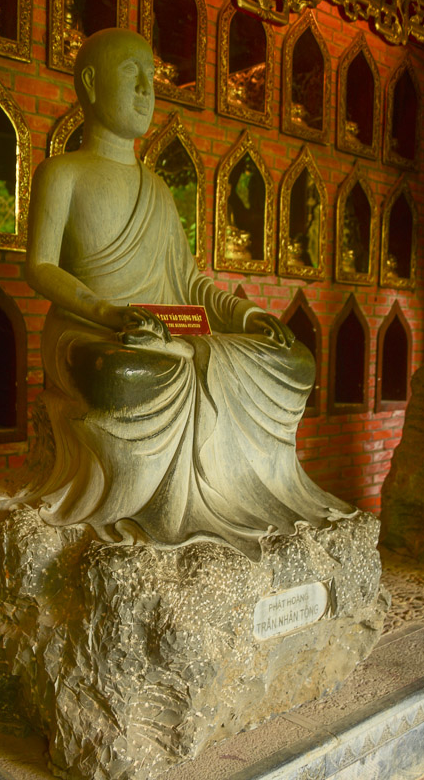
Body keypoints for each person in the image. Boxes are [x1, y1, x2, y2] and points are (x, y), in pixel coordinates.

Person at [25, 27, 356, 560]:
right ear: (89, 82)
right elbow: (40, 267)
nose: (146, 89)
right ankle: (151, 512)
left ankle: (239, 497)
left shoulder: (157, 188)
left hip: (166, 331)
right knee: (124, 375)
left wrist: (246, 316)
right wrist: (107, 312)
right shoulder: (62, 173)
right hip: (93, 331)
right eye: (131, 74)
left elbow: (191, 283)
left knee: (293, 363)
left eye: (150, 78)